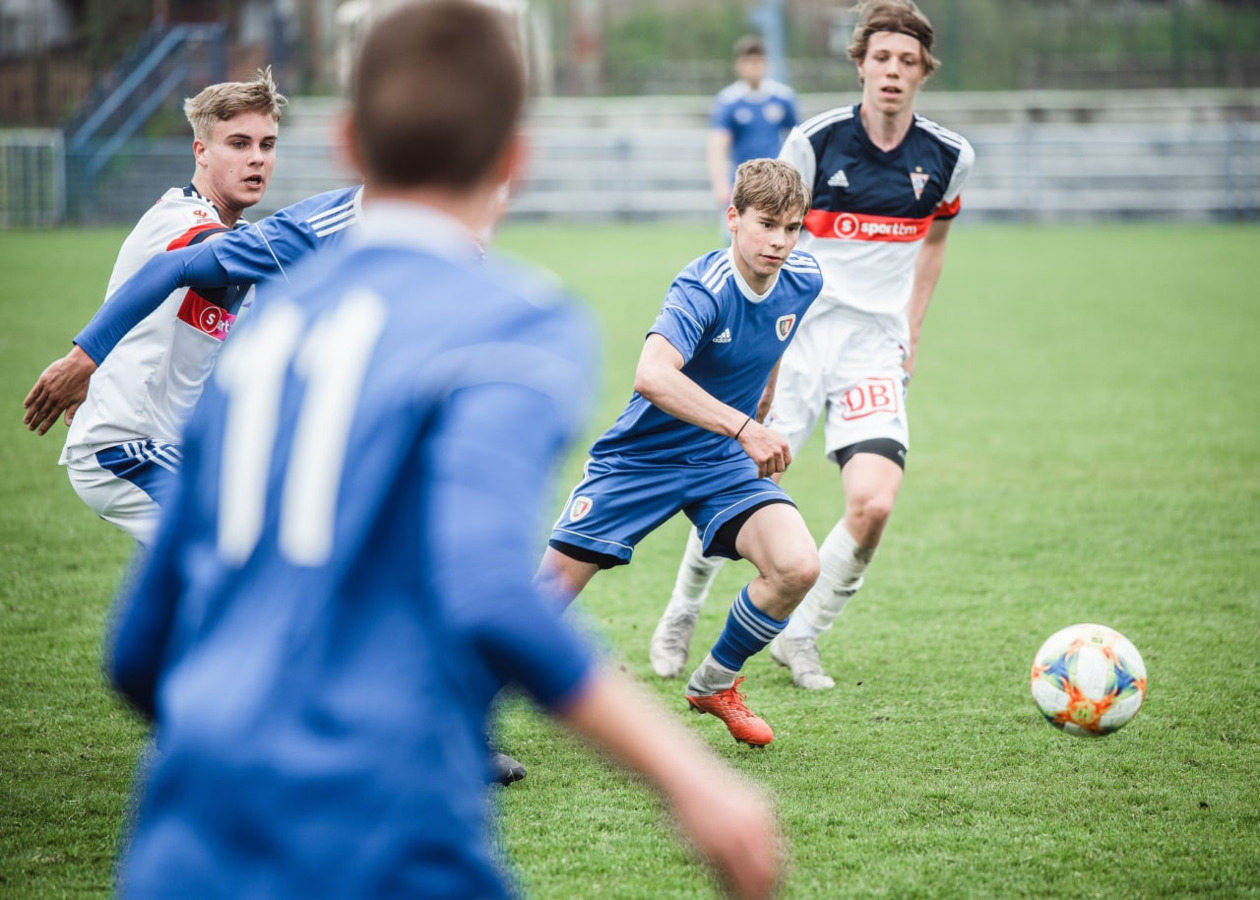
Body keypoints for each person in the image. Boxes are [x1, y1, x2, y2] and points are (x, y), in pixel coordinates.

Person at [104, 4, 782, 899]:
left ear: (349, 145)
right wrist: (687, 777)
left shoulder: (268, 325)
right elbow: (490, 588)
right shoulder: (515, 324)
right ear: (514, 161)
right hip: (383, 837)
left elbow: (138, 651)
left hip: (183, 851)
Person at [651, 0, 975, 690]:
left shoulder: (950, 157)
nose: (893, 71)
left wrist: (913, 329)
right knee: (739, 486)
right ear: (860, 64)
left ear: (924, 71)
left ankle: (800, 635)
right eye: (881, 58)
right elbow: (760, 237)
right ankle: (683, 607)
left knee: (875, 504)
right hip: (792, 341)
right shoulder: (815, 140)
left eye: (908, 61)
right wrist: (748, 340)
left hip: (873, 348)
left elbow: (934, 245)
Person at [536, 157, 822, 748]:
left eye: (792, 228)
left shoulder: (804, 278)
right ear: (733, 218)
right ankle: (456, 717)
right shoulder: (703, 287)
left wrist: (761, 410)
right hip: (642, 460)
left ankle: (715, 683)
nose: (779, 241)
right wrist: (745, 428)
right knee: (542, 600)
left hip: (721, 462)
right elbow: (652, 375)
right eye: (767, 224)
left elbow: (774, 338)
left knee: (797, 567)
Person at [39, 69, 286, 546]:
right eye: (239, 143)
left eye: (267, 145)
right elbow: (232, 254)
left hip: (174, 447)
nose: (256, 158)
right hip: (121, 447)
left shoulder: (239, 241)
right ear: (201, 151)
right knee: (243, 545)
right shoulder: (179, 218)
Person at [707, 35, 798, 213]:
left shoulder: (783, 97)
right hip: (742, 184)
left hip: (776, 184)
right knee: (738, 227)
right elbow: (718, 144)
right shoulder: (729, 101)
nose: (754, 66)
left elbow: (796, 138)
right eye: (748, 61)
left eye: (758, 61)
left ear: (767, 63)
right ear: (738, 65)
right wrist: (720, 184)